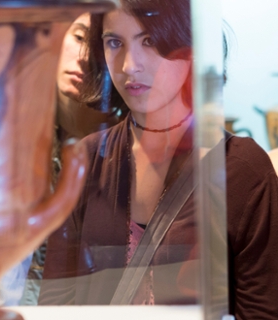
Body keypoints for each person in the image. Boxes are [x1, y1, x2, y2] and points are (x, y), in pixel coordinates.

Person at [39, 0, 278, 319]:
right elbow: (55, 305)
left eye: (149, 40)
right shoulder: (87, 159)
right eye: (114, 43)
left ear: (190, 44)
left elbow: (264, 309)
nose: (128, 66)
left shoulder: (242, 169)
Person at [20, 13, 124, 305]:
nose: (84, 57)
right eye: (78, 37)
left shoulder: (126, 144)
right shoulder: (12, 130)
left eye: (100, 45)